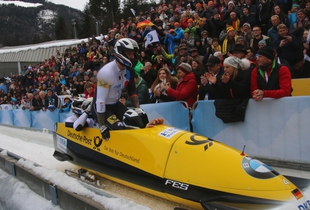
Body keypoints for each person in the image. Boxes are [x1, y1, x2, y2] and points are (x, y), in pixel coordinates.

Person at [91, 38, 143, 140]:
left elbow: (132, 91)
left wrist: (138, 110)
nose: (132, 57)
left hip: (116, 104)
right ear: (120, 53)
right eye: (129, 54)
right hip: (102, 107)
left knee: (136, 122)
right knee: (119, 127)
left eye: (133, 54)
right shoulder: (106, 72)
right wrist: (102, 126)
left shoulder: (129, 70)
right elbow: (100, 101)